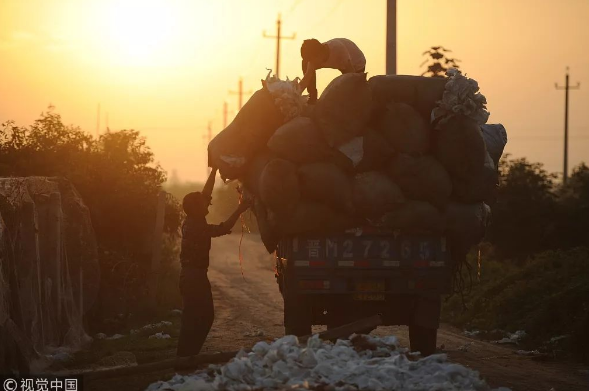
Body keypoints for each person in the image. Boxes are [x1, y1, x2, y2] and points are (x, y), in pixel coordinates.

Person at [176, 167, 250, 358]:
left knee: (195, 317)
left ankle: (187, 357)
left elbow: (205, 193)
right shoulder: (196, 226)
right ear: (197, 208)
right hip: (194, 277)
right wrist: (241, 208)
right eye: (204, 204)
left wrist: (214, 170)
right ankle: (185, 358)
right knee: (200, 317)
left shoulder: (192, 220)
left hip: (193, 276)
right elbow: (224, 228)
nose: (208, 204)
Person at [298, 38, 366, 104]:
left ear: (319, 54)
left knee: (350, 89)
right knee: (305, 64)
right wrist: (294, 94)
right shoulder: (313, 59)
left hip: (356, 62)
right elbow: (306, 80)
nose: (312, 63)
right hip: (340, 62)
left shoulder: (338, 50)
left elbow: (351, 75)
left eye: (312, 60)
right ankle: (312, 96)